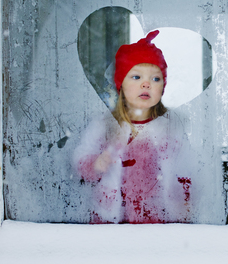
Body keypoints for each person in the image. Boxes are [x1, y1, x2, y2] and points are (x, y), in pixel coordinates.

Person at [73, 30, 192, 224]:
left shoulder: (170, 129)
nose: (146, 84)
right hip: (112, 219)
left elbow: (186, 169)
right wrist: (96, 163)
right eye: (136, 77)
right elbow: (81, 157)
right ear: (121, 84)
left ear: (163, 86)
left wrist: (186, 201)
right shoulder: (105, 126)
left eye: (155, 79)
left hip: (158, 220)